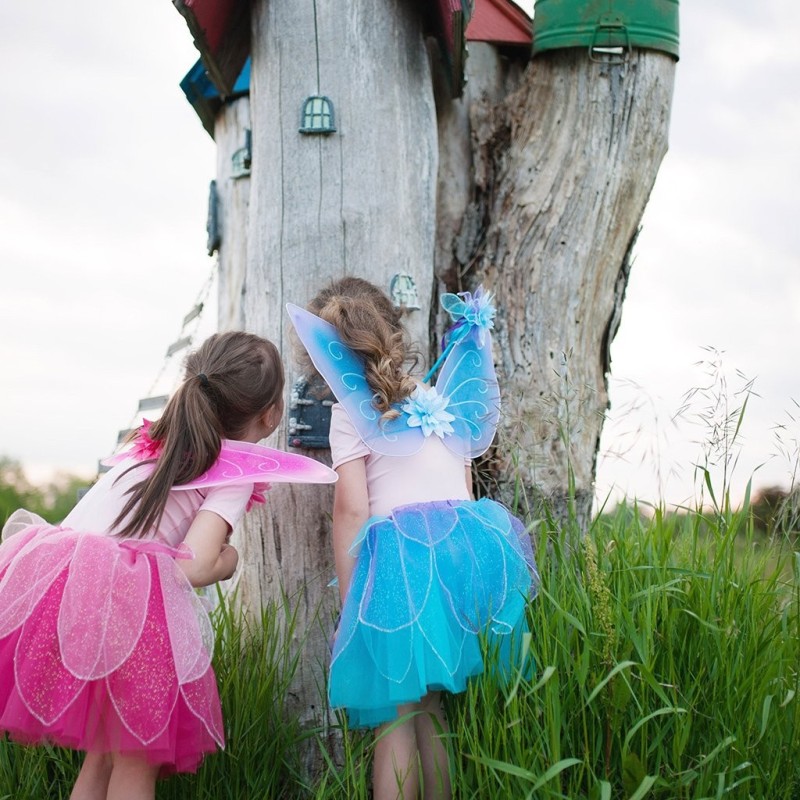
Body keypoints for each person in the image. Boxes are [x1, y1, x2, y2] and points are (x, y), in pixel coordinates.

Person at [0, 331, 336, 800]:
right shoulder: (235, 467)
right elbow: (196, 566)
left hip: (62, 582)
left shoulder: (152, 445)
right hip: (124, 601)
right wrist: (229, 561)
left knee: (103, 753)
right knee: (136, 760)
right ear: (273, 413)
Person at [288, 278, 538, 800]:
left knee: (396, 719)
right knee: (431, 708)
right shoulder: (442, 400)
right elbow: (464, 492)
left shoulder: (350, 413)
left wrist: (352, 602)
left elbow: (353, 510)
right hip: (463, 558)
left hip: (402, 570)